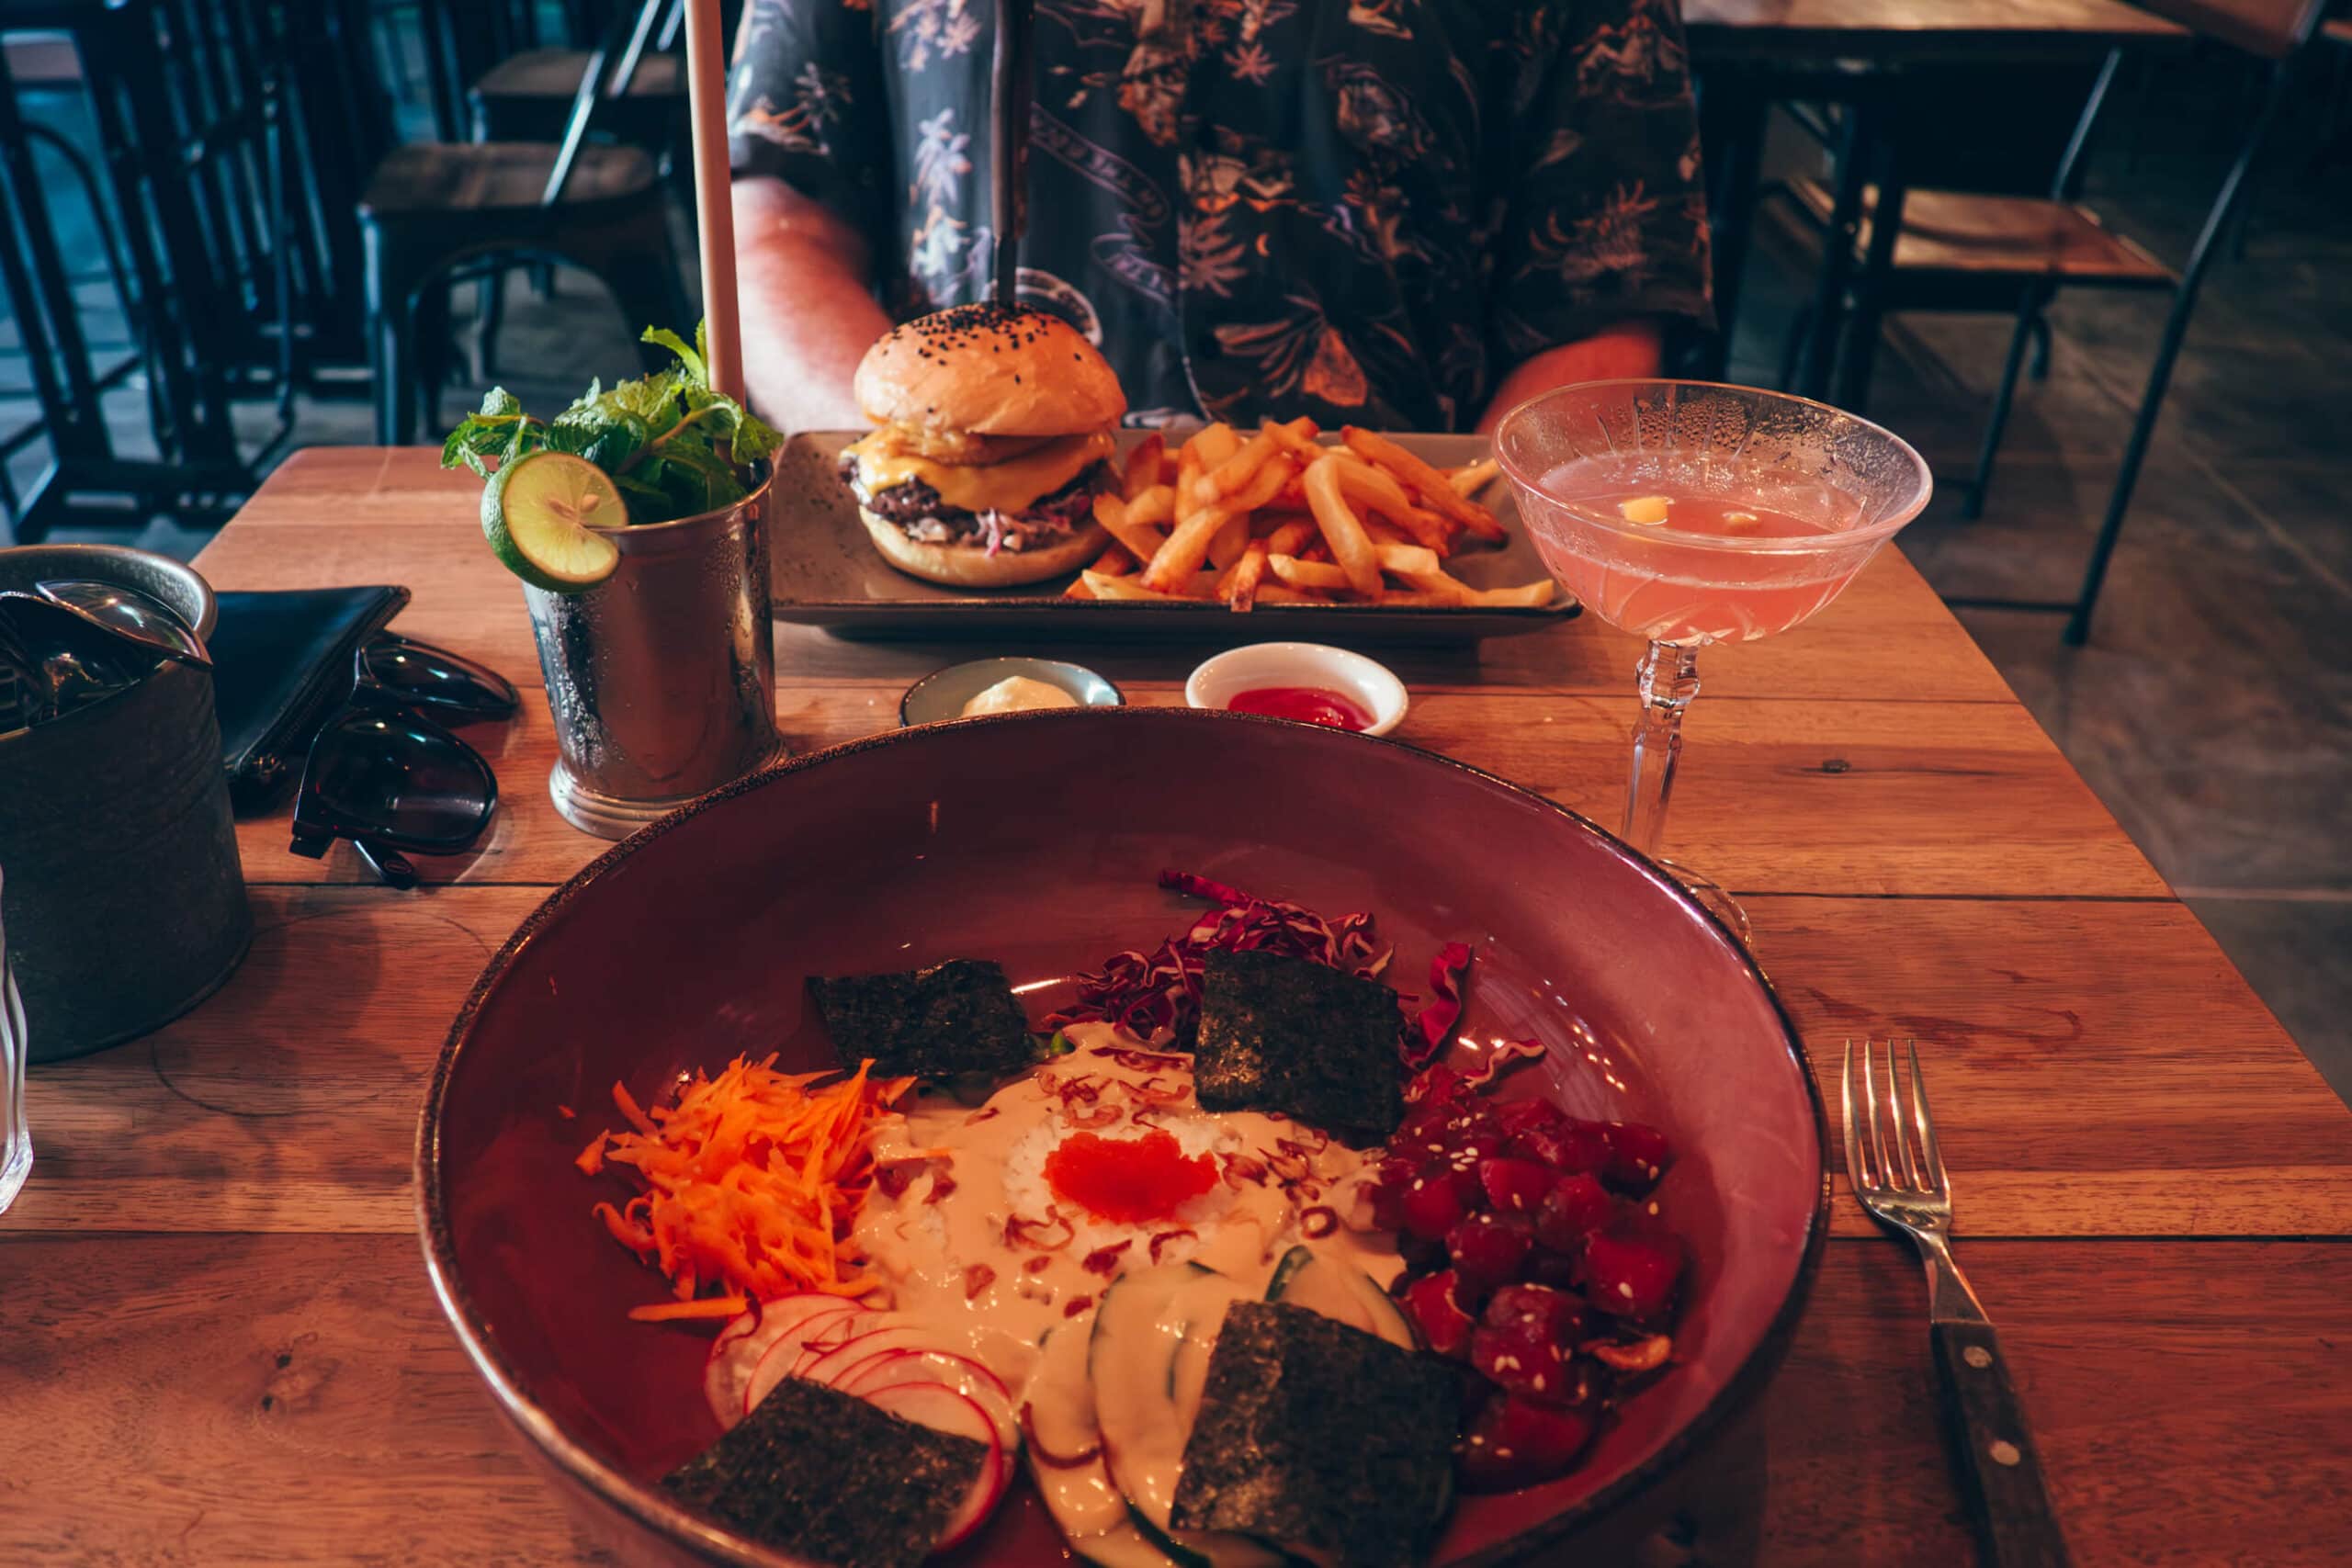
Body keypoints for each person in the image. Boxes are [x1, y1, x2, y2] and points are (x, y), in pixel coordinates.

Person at [727, 0, 1710, 436]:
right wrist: (916, 476)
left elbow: (1606, 291)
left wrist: (1466, 538)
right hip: (951, 594)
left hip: (1401, 600)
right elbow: (774, 230)